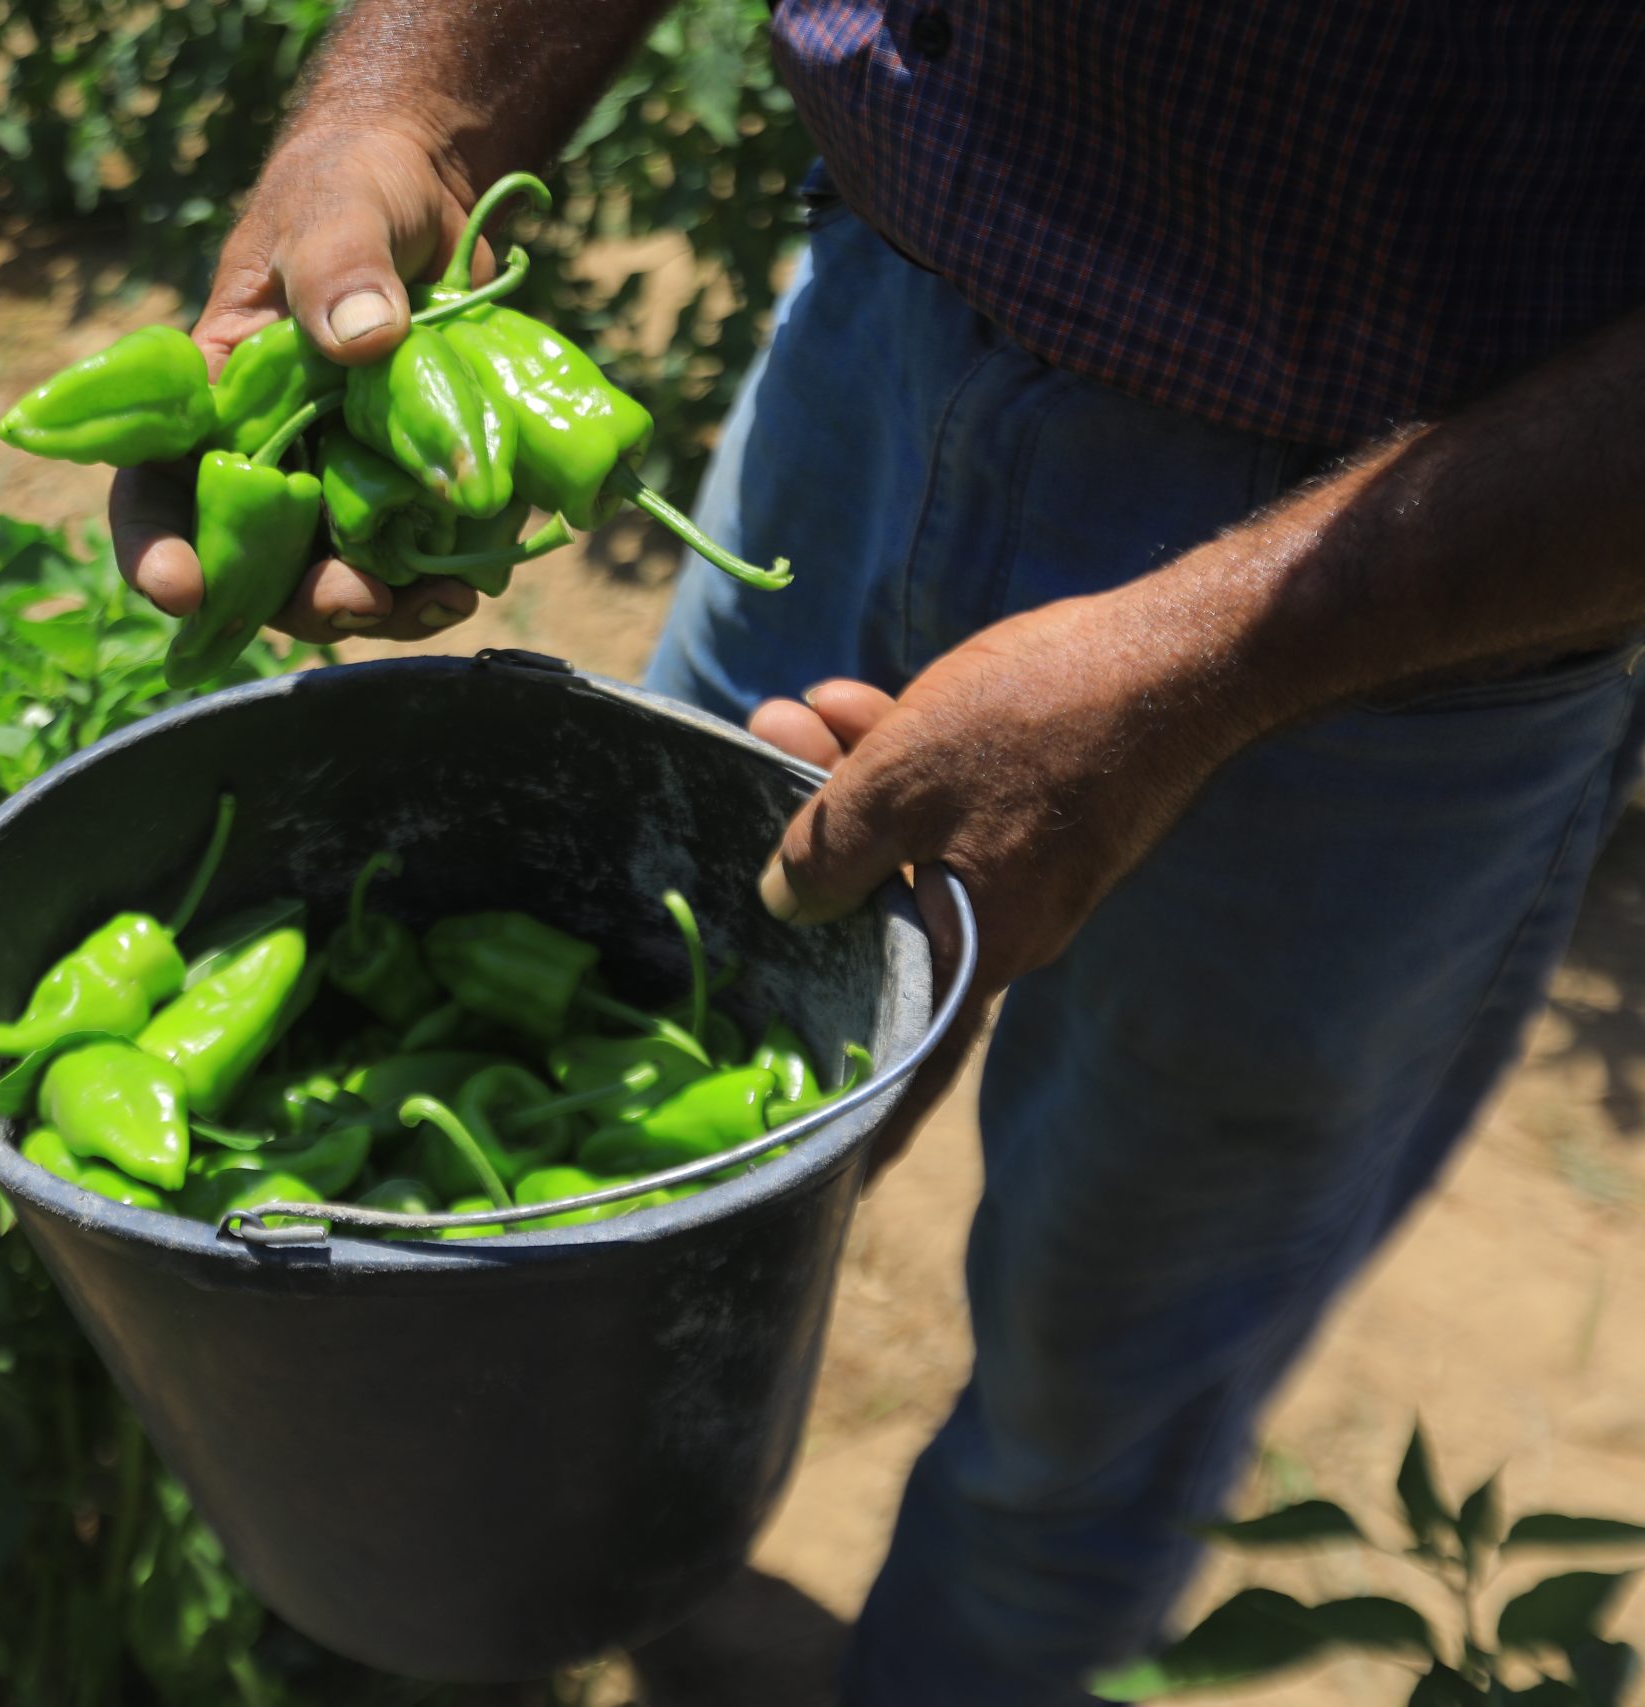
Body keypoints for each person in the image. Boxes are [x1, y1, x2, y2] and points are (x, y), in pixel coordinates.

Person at [109, 4, 1645, 1700]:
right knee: (635, 1183)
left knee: (1100, 1380)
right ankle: (590, 1589)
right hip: (875, 325)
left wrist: (1209, 669)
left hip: (1424, 567)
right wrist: (416, 106)